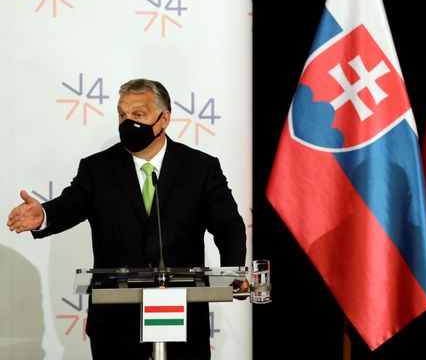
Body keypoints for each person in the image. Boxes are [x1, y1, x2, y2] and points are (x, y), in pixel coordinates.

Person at [7, 78, 248, 360]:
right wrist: (45, 215)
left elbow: (228, 224)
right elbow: (71, 205)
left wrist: (234, 272)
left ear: (164, 119)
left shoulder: (201, 168)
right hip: (116, 324)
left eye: (138, 115)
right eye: (122, 114)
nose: (127, 122)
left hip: (182, 320)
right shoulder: (97, 168)